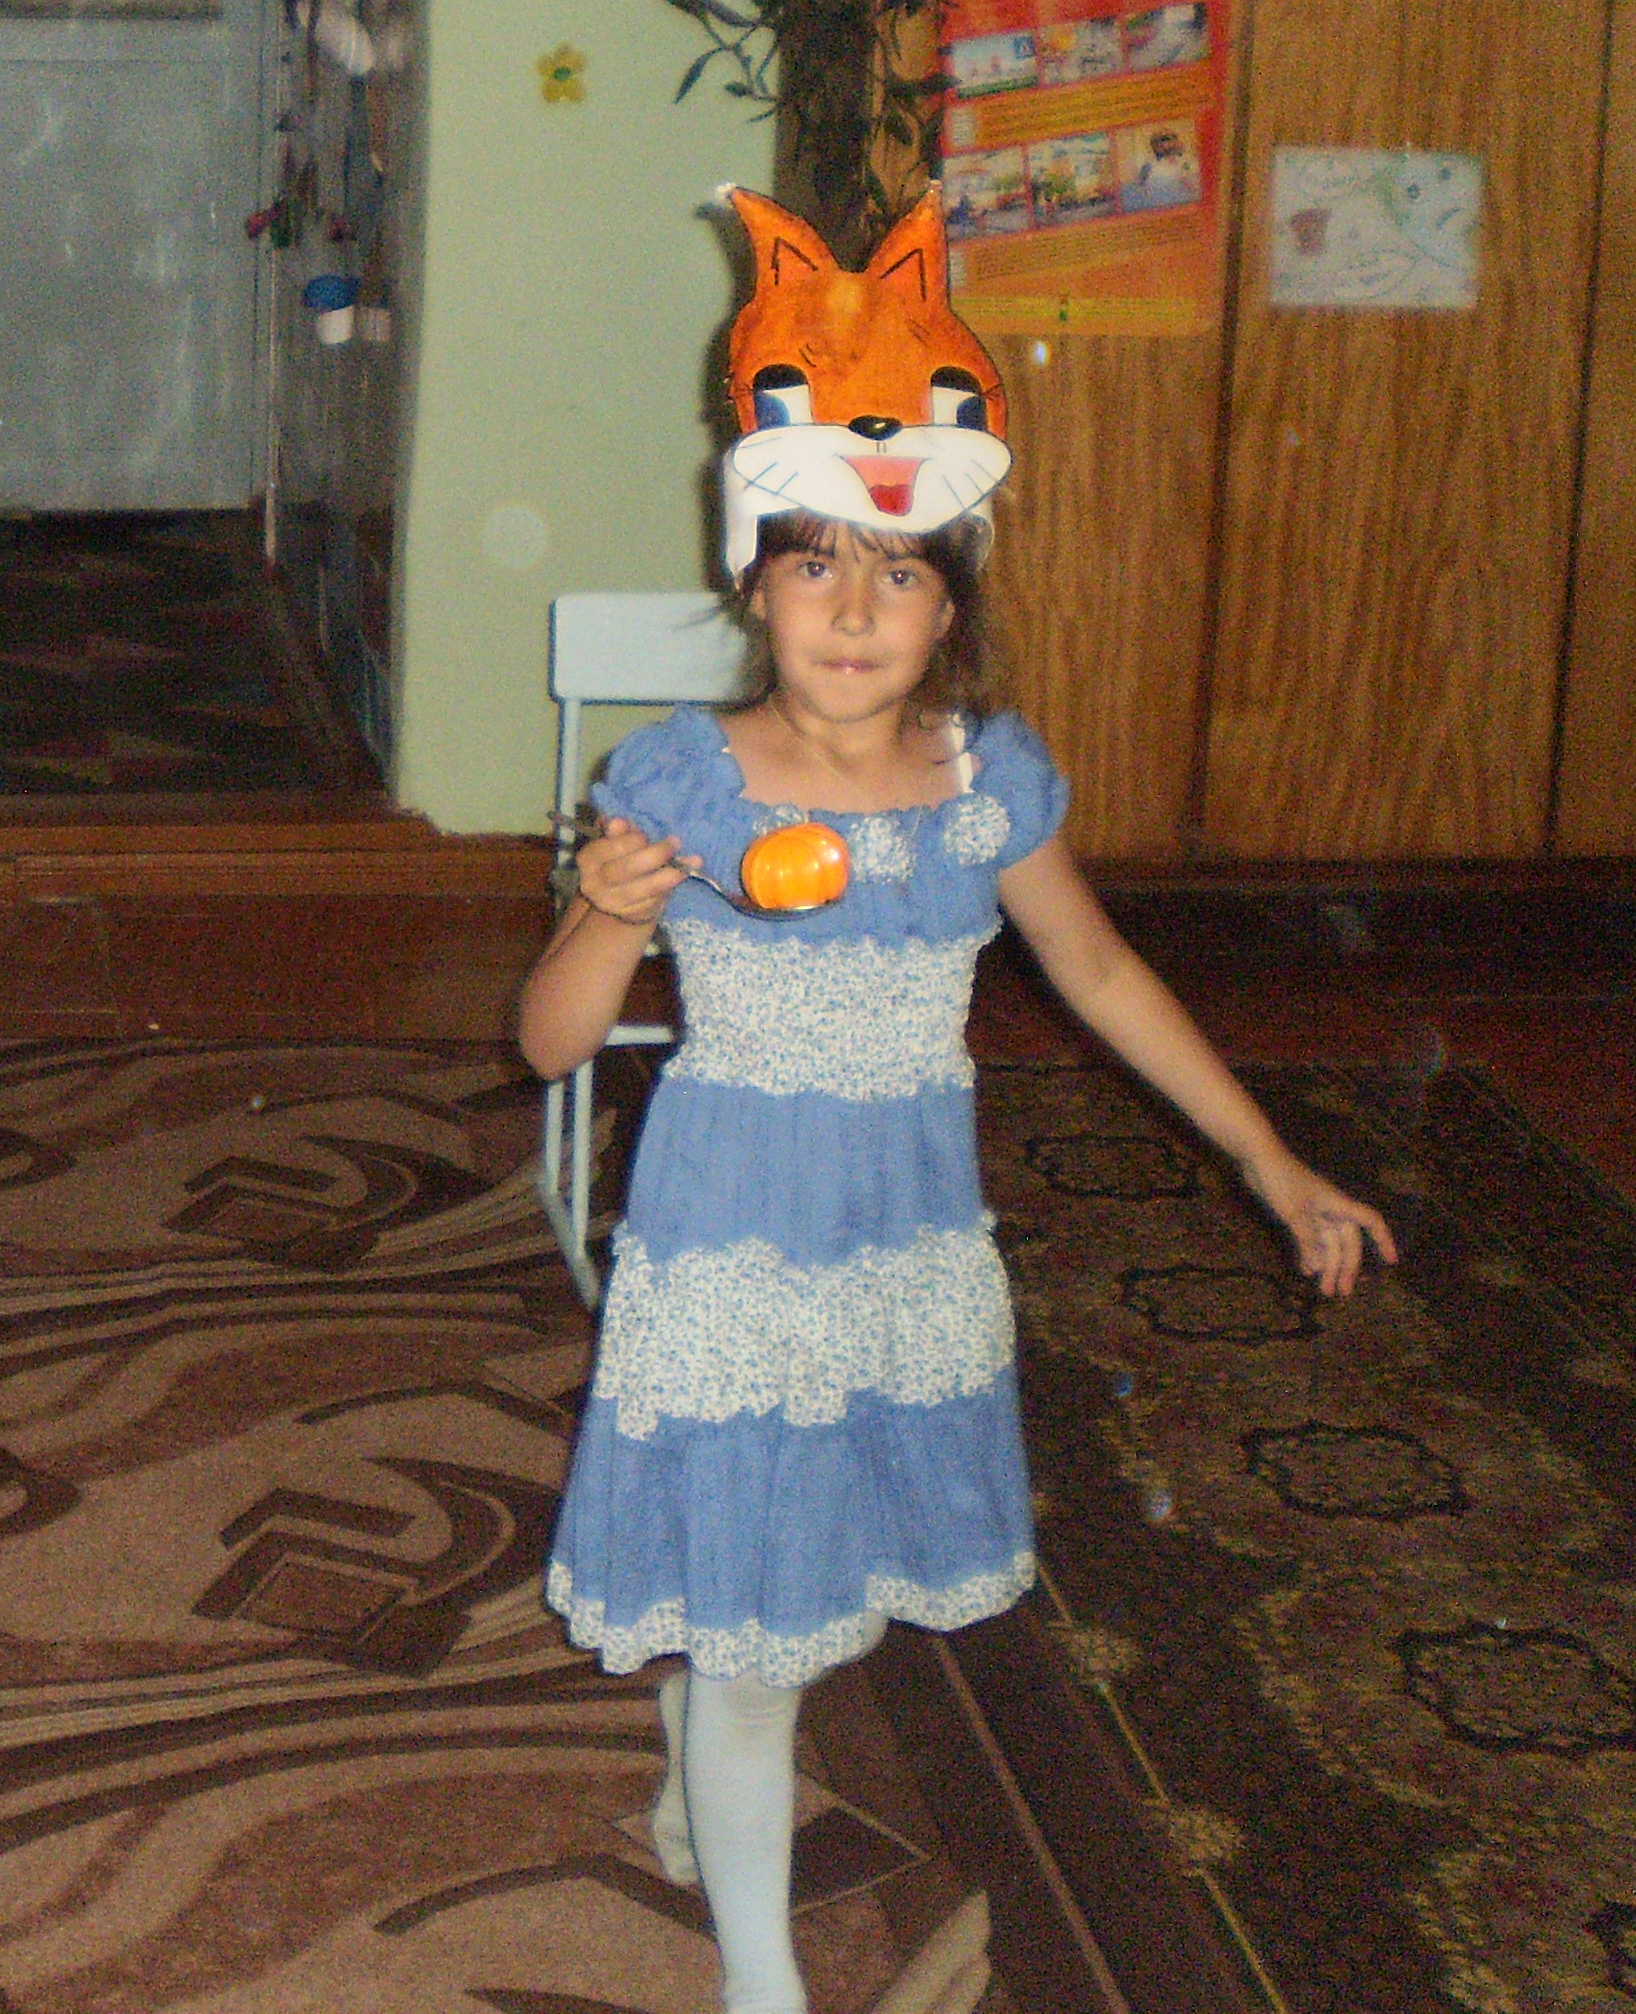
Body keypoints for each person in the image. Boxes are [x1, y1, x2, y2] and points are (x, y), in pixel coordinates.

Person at [520, 190, 1394, 2014]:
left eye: (901, 571)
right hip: (735, 1231)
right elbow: (545, 1047)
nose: (855, 610)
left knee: (797, 1567)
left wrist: (1269, 1159)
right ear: (751, 579)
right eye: (815, 566)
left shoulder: (988, 782)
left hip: (905, 1231)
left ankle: (700, 1729)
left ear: (951, 601)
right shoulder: (684, 780)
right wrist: (605, 918)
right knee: (760, 1639)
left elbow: (1102, 976)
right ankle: (764, 1981)